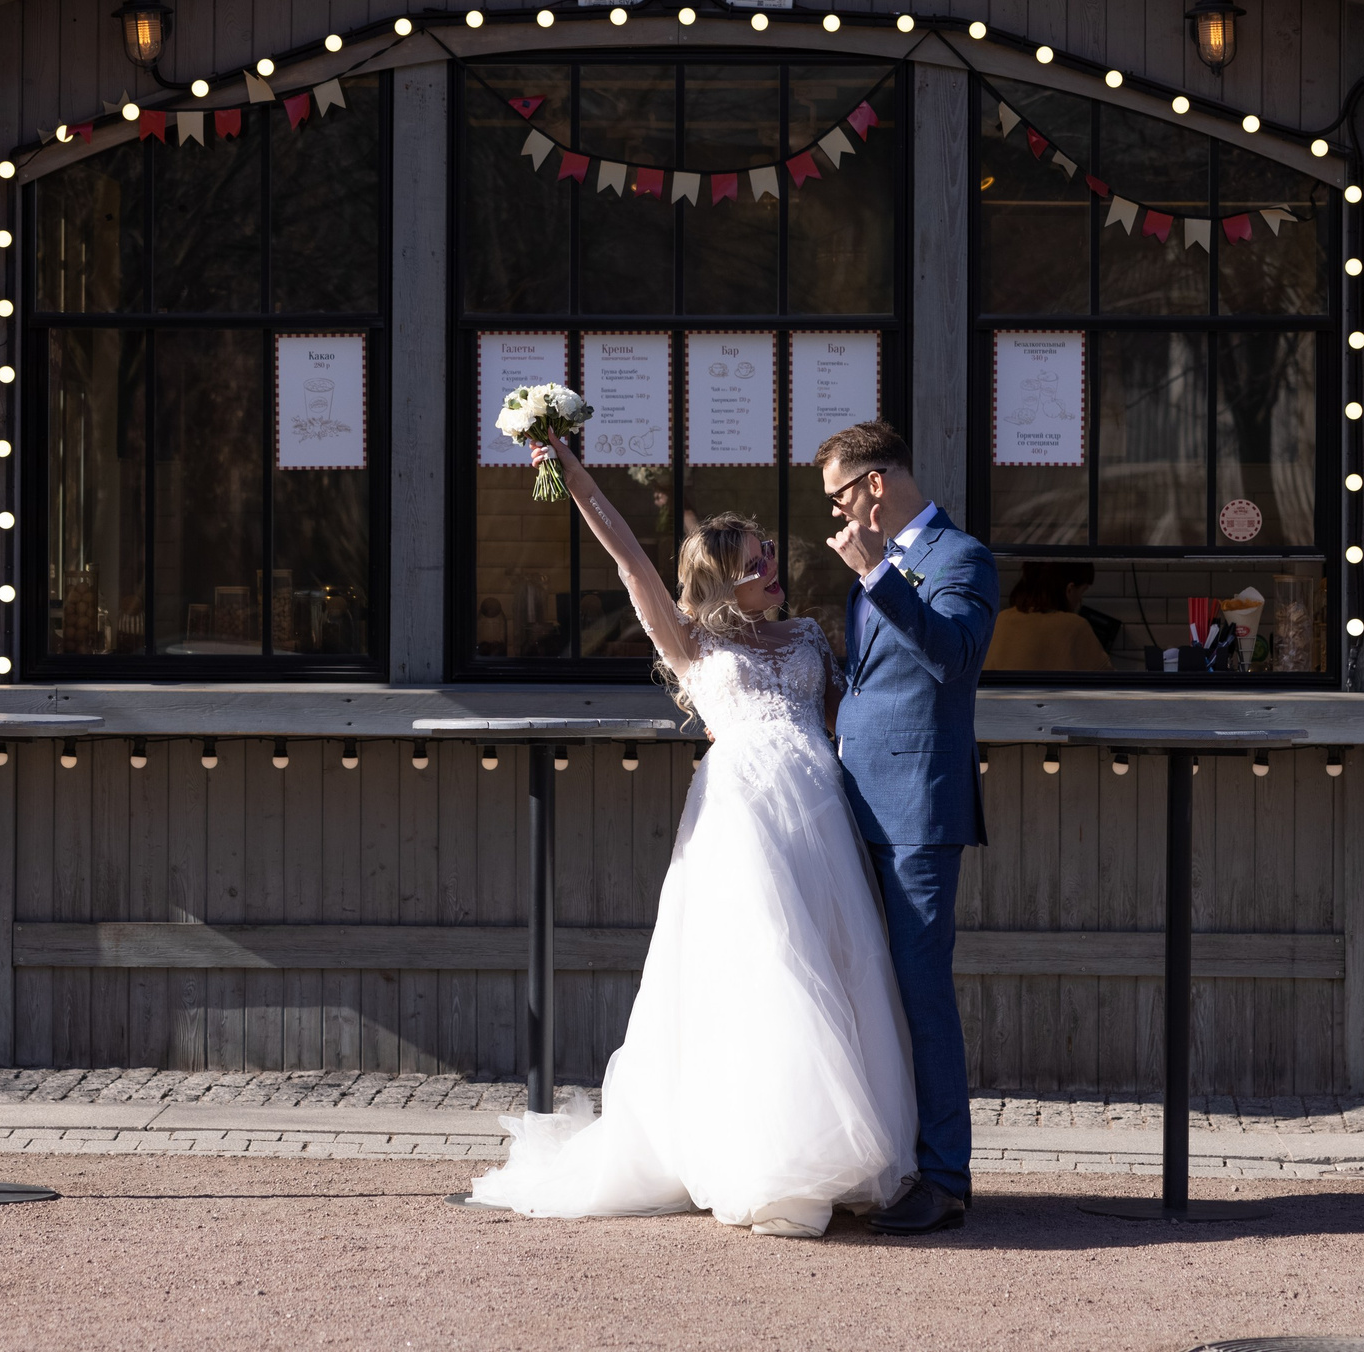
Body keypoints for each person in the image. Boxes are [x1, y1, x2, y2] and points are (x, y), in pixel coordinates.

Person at [466, 433, 916, 1239]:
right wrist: (574, 476)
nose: (771, 569)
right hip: (743, 819)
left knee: (837, 968)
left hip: (820, 814)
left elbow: (851, 715)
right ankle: (772, 1164)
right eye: (754, 566)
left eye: (769, 554)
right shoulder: (692, 643)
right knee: (767, 975)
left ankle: (847, 1153)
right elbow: (631, 559)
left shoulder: (810, 635)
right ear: (719, 588)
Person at [816, 421, 999, 1235]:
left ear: (876, 485)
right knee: (861, 985)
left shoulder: (960, 559)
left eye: (839, 496)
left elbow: (955, 658)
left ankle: (945, 1177)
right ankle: (881, 1157)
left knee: (923, 993)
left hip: (919, 810)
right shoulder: (878, 569)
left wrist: (880, 575)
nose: (837, 515)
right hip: (855, 802)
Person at [983, 562, 1114, 674]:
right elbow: (1108, 684)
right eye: (1082, 592)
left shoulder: (1000, 620)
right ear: (1070, 589)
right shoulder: (1075, 626)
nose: (1080, 600)